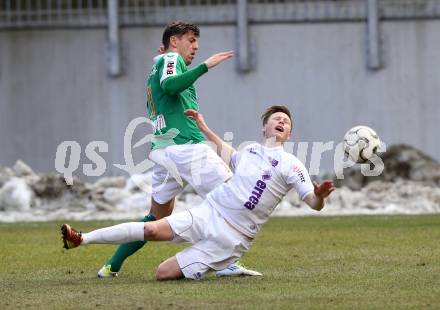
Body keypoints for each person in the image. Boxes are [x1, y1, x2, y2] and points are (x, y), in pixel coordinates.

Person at [63, 105, 335, 280]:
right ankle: (82, 238)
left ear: (288, 134)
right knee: (151, 230)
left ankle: (216, 262)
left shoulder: (293, 164)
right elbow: (228, 154)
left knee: (162, 273)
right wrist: (204, 128)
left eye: (286, 122)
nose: (281, 122)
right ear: (264, 127)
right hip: (209, 212)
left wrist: (320, 195)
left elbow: (312, 202)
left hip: (232, 236)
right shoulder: (250, 150)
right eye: (276, 118)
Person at [98, 21, 260, 278]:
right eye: (191, 40)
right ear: (174, 41)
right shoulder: (171, 58)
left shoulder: (160, 64)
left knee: (155, 218)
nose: (195, 47)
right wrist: (206, 66)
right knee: (233, 198)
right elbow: (170, 85)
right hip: (186, 147)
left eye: (197, 42)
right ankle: (223, 261)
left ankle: (111, 266)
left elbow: (168, 89)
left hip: (164, 150)